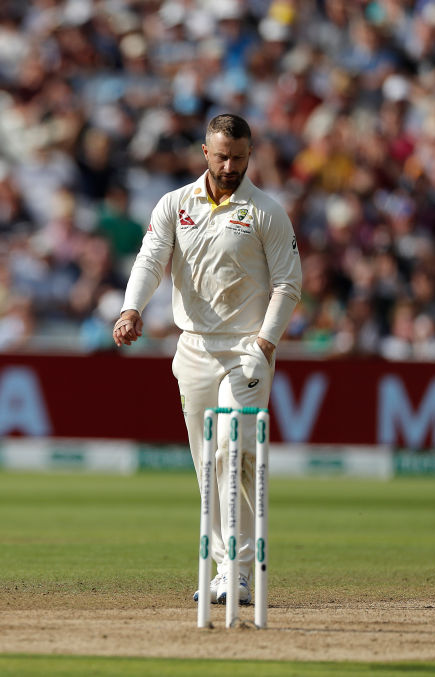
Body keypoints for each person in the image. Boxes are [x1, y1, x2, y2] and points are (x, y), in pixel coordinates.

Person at [112, 113, 301, 606]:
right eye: (221, 157)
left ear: (249, 154)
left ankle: (239, 572)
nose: (229, 166)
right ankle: (223, 570)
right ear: (204, 153)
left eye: (238, 158)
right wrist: (132, 308)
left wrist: (265, 344)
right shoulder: (176, 204)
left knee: (232, 452)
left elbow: (288, 284)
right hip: (194, 347)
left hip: (246, 350)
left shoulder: (265, 211)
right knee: (206, 464)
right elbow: (151, 259)